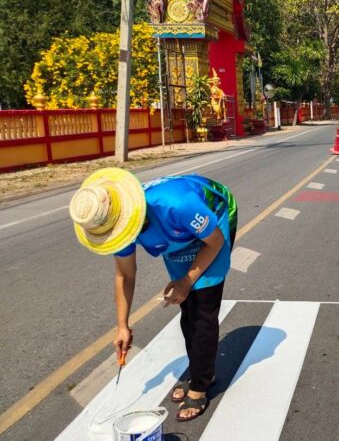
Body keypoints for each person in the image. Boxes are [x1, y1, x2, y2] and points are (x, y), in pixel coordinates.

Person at [68, 168, 237, 423]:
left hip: (213, 223)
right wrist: (122, 326)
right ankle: (201, 370)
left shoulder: (177, 204)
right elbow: (125, 275)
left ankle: (200, 385)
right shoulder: (115, 225)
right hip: (180, 236)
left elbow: (214, 242)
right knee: (187, 310)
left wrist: (186, 281)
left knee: (203, 309)